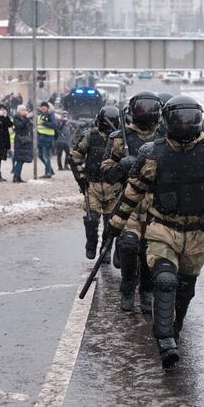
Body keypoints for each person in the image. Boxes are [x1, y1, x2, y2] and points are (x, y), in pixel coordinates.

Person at [105, 95, 204, 370]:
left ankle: (174, 331)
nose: (185, 125)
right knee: (164, 280)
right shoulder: (153, 153)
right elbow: (133, 191)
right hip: (163, 227)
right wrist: (116, 224)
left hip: (198, 233)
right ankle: (164, 340)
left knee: (184, 290)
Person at [101, 91, 162, 312]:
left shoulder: (165, 137)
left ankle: (146, 290)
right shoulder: (120, 138)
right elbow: (106, 173)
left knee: (149, 250)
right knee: (128, 245)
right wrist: (122, 167)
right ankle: (128, 285)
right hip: (129, 201)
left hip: (157, 203)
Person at [69, 106, 121, 261]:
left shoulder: (120, 139)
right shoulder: (90, 136)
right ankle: (91, 244)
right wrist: (81, 177)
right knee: (92, 220)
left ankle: (106, 249)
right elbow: (75, 156)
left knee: (111, 223)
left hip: (114, 187)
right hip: (93, 185)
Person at [12, 105, 34, 182]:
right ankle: (15, 176)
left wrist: (29, 118)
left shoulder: (25, 119)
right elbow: (20, 126)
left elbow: (31, 126)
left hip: (25, 142)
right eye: (22, 110)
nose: (24, 111)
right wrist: (27, 118)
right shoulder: (16, 118)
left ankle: (18, 176)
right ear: (19, 111)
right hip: (19, 141)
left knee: (21, 160)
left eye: (25, 110)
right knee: (19, 160)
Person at [36, 101, 58, 178]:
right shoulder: (40, 115)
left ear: (47, 108)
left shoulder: (50, 115)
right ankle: (50, 170)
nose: (43, 108)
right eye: (42, 107)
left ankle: (48, 173)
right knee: (40, 155)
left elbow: (54, 125)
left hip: (48, 138)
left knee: (46, 156)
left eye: (44, 107)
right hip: (40, 138)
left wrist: (45, 123)